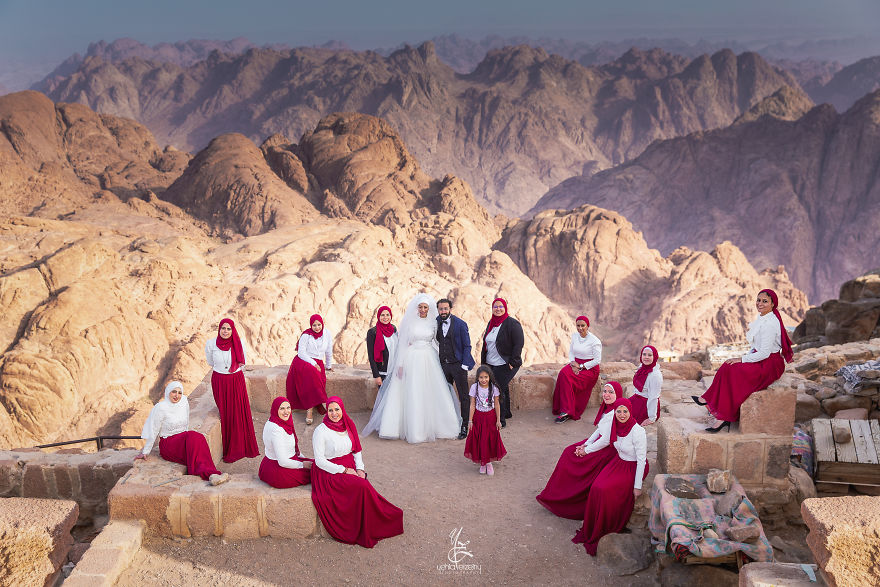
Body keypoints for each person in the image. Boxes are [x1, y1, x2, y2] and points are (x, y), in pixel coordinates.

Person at [361, 293, 461, 443]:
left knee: (430, 390)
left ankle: (437, 426)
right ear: (417, 308)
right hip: (412, 358)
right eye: (420, 307)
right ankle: (411, 428)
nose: (422, 310)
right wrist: (400, 364)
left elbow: (438, 341)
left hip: (429, 358)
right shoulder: (410, 322)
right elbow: (403, 344)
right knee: (413, 390)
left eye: (425, 307)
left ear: (429, 308)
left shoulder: (434, 323)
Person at [694, 289, 794, 433]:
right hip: (762, 359)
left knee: (734, 373)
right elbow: (757, 347)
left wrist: (742, 359)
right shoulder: (764, 317)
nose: (760, 303)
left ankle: (723, 417)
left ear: (773, 304)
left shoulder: (770, 324)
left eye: (765, 301)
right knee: (727, 366)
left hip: (770, 365)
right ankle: (708, 400)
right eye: (758, 300)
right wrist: (744, 358)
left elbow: (765, 353)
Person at [311, 397, 404, 548]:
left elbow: (357, 450)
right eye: (330, 410)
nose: (334, 414)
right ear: (326, 412)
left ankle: (377, 521)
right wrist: (344, 470)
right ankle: (364, 527)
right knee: (362, 487)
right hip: (329, 472)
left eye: (337, 409)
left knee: (364, 484)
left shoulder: (348, 424)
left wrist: (360, 468)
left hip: (350, 465)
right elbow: (320, 461)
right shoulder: (320, 431)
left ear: (342, 409)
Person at [536, 382, 623, 519]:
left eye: (611, 392)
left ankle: (565, 498)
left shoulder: (615, 413)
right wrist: (586, 444)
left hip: (607, 450)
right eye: (605, 391)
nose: (606, 395)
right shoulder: (607, 409)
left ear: (618, 395)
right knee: (568, 451)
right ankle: (555, 494)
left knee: (572, 458)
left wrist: (586, 450)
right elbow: (599, 430)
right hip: (599, 442)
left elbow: (606, 440)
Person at [573, 397, 648, 556]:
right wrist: (586, 448)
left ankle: (607, 526)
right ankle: (593, 526)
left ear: (630, 411)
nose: (622, 414)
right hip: (619, 462)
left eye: (625, 411)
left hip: (632, 466)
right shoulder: (615, 425)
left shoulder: (638, 431)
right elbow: (603, 439)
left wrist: (637, 486)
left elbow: (641, 460)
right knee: (596, 486)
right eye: (618, 411)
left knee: (605, 490)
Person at [136, 381, 229, 486]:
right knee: (194, 438)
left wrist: (186, 441)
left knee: (198, 440)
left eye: (179, 393)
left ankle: (212, 474)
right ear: (168, 392)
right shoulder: (161, 408)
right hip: (168, 444)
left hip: (182, 440)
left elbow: (186, 422)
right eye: (174, 392)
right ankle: (211, 475)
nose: (177, 395)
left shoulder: (183, 402)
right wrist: (146, 451)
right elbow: (153, 429)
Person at [205, 318, 259, 463]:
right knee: (226, 414)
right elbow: (210, 362)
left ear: (232, 330)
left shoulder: (239, 343)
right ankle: (229, 447)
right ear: (219, 329)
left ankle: (239, 447)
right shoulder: (211, 344)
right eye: (223, 328)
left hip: (236, 380)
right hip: (220, 382)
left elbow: (242, 362)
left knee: (237, 413)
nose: (225, 331)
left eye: (229, 329)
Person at [480, 298, 524, 428]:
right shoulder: (491, 323)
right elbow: (486, 344)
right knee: (502, 387)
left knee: (497, 389)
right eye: (495, 306)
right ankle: (507, 413)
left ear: (505, 308)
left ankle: (500, 420)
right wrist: (484, 363)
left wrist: (513, 361)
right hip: (491, 363)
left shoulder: (512, 323)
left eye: (501, 306)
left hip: (506, 363)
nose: (498, 309)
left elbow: (519, 343)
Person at [436, 298, 476, 439]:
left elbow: (467, 346)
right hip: (443, 365)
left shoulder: (460, 324)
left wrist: (464, 364)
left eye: (445, 308)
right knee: (444, 395)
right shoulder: (436, 322)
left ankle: (465, 425)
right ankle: (448, 423)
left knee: (463, 396)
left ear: (450, 309)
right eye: (441, 309)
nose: (443, 311)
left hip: (458, 365)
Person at [552, 315, 602, 423]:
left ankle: (566, 411)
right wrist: (573, 362)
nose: (580, 328)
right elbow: (571, 351)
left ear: (587, 326)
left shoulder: (595, 341)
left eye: (583, 325)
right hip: (576, 363)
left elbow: (597, 360)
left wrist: (581, 366)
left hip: (590, 368)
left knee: (568, 377)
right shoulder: (575, 336)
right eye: (578, 325)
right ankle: (562, 407)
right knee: (563, 373)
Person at [286, 314, 334, 426]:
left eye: (319, 324)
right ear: (310, 325)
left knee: (316, 376)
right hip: (303, 361)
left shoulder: (327, 334)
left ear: (322, 324)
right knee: (312, 374)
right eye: (314, 325)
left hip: (318, 362)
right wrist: (313, 363)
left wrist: (328, 365)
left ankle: (318, 404)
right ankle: (311, 409)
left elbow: (328, 350)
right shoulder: (306, 335)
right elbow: (301, 353)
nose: (317, 327)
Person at [258, 397, 312, 489]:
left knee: (316, 464)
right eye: (282, 408)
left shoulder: (274, 420)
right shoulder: (276, 430)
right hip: (279, 471)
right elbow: (282, 461)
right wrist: (302, 464)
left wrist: (303, 459)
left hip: (268, 465)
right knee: (318, 472)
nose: (286, 412)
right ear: (276, 410)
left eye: (288, 408)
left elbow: (292, 450)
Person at [464, 365, 507, 475]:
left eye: (486, 377)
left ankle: (488, 463)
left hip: (490, 417)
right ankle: (483, 463)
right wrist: (470, 420)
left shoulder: (494, 388)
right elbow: (472, 404)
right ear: (477, 378)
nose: (483, 380)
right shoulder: (474, 387)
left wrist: (498, 420)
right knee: (480, 439)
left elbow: (497, 404)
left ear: (490, 377)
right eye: (481, 377)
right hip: (478, 417)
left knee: (489, 439)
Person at [629, 345, 662, 425]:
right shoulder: (642, 367)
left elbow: (653, 398)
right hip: (636, 399)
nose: (646, 357)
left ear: (654, 357)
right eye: (644, 354)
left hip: (645, 406)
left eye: (650, 355)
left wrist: (651, 418)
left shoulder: (655, 375)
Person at [366, 306, 398, 388]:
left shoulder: (393, 329)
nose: (385, 317)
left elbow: (397, 349)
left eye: (387, 315)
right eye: (382, 315)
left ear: (391, 316)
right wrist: (376, 375)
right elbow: (371, 356)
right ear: (378, 316)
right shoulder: (372, 332)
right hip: (382, 373)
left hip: (394, 371)